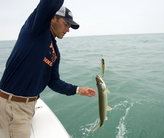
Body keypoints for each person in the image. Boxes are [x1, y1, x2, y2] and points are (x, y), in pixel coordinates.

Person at [0, 0, 96, 138]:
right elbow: (49, 3)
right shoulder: (36, 30)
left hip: (29, 106)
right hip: (13, 107)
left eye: (70, 26)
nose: (68, 30)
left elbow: (53, 81)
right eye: (66, 24)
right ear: (52, 18)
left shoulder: (55, 52)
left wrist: (78, 90)